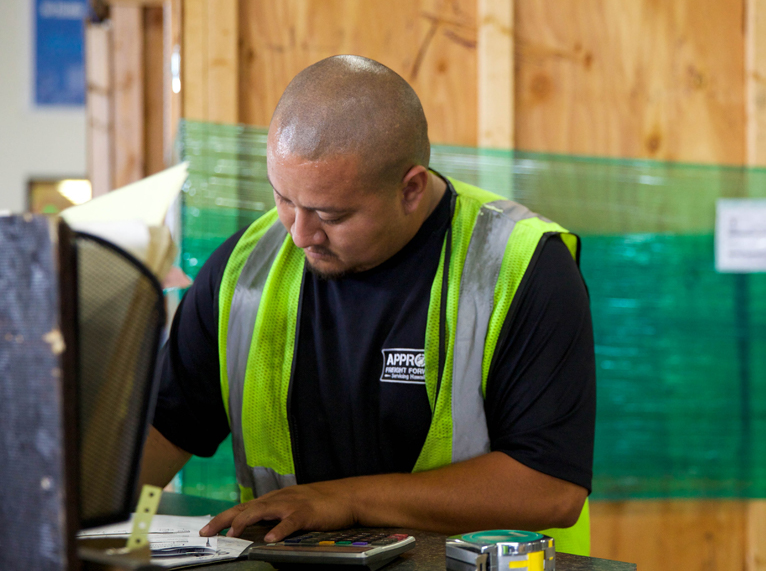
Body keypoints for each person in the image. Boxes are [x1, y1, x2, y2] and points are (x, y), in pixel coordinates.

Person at [139, 55, 596, 554]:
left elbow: (550, 490)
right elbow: (163, 434)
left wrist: (344, 502)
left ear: (411, 189)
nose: (299, 234)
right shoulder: (243, 272)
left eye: (330, 215)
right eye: (284, 199)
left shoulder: (521, 267)